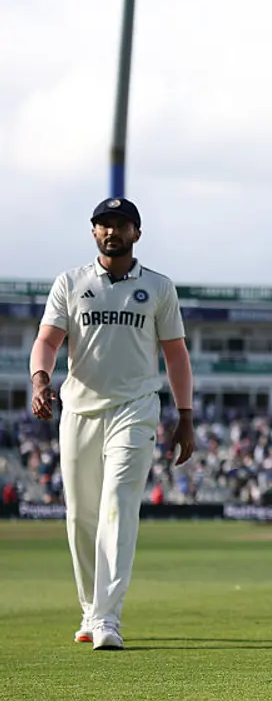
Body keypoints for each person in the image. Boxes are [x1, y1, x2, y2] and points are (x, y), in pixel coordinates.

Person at [29, 197, 196, 650]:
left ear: (137, 233)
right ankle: (91, 607)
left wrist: (185, 415)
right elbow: (47, 339)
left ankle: (107, 617)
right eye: (104, 225)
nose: (112, 231)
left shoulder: (158, 287)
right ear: (93, 232)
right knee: (81, 516)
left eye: (121, 225)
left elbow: (176, 353)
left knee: (118, 507)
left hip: (135, 408)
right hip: (79, 410)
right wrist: (40, 380)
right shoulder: (72, 282)